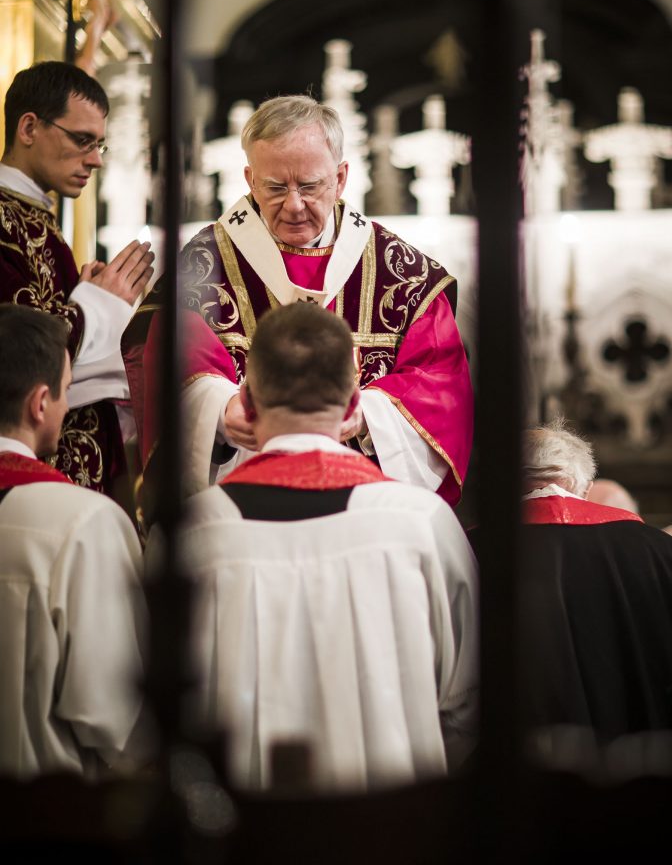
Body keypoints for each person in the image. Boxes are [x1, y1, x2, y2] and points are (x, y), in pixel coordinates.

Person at [145, 303, 479, 792]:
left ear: (247, 403)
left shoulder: (189, 535)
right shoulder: (422, 525)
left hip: (237, 834)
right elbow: (469, 698)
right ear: (351, 408)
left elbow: (152, 706)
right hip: (393, 826)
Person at [124, 94, 473, 512]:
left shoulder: (400, 272)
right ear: (250, 179)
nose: (293, 205)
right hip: (242, 513)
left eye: (309, 186)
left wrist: (368, 417)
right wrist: (218, 410)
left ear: (341, 178)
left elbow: (440, 383)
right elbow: (170, 355)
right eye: (274, 187)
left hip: (363, 511)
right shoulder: (206, 264)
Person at [0, 305, 150, 779]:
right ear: (39, 403)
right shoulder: (82, 523)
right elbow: (115, 718)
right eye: (67, 390)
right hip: (43, 820)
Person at [0, 60, 154, 497]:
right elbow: (15, 351)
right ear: (29, 128)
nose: (96, 160)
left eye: (100, 143)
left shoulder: (36, 216)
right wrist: (96, 305)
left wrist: (89, 295)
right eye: (82, 140)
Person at [515, 419, 672, 750]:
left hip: (527, 766)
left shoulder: (477, 548)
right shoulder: (662, 552)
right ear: (586, 486)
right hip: (650, 764)